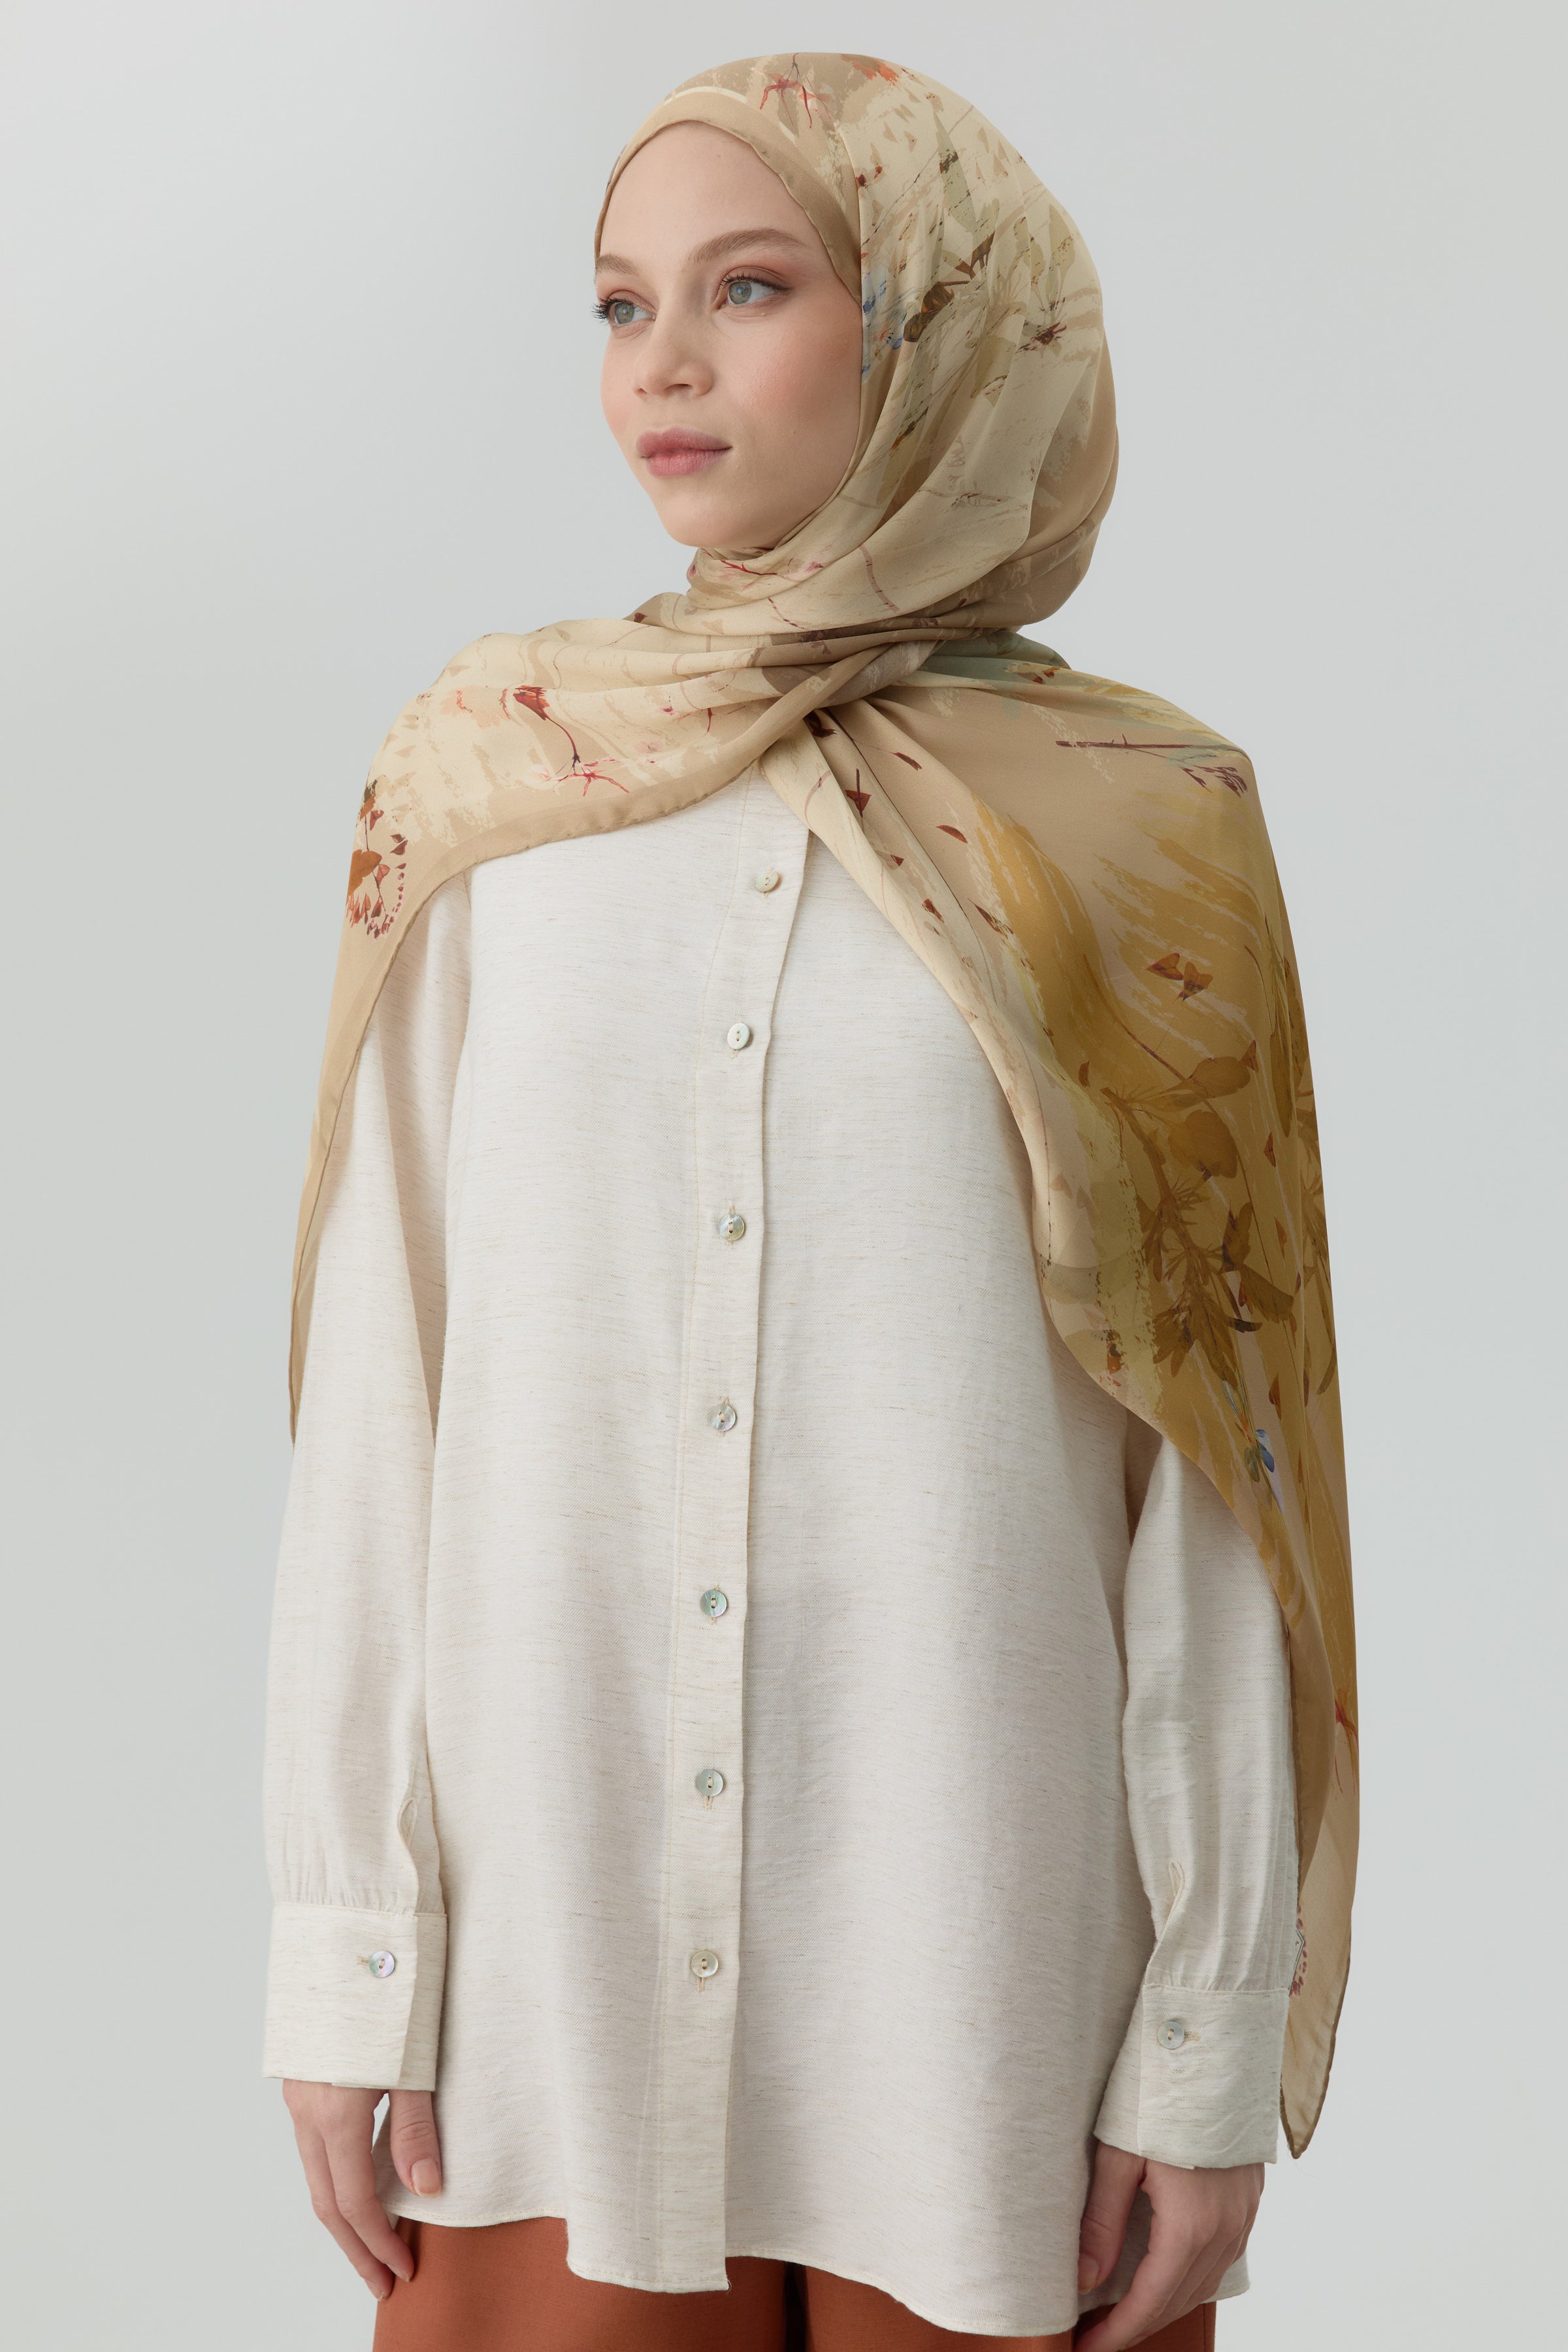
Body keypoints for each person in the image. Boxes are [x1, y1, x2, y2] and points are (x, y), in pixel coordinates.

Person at [261, 53, 1358, 2352]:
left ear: (935, 319)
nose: (660, 360)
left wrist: (1208, 2025)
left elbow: (1221, 1469)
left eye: (747, 288)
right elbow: (383, 1387)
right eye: (619, 301)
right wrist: (347, 1944)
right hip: (540, 1989)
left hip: (984, 1988)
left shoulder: (1144, 826)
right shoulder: (494, 784)